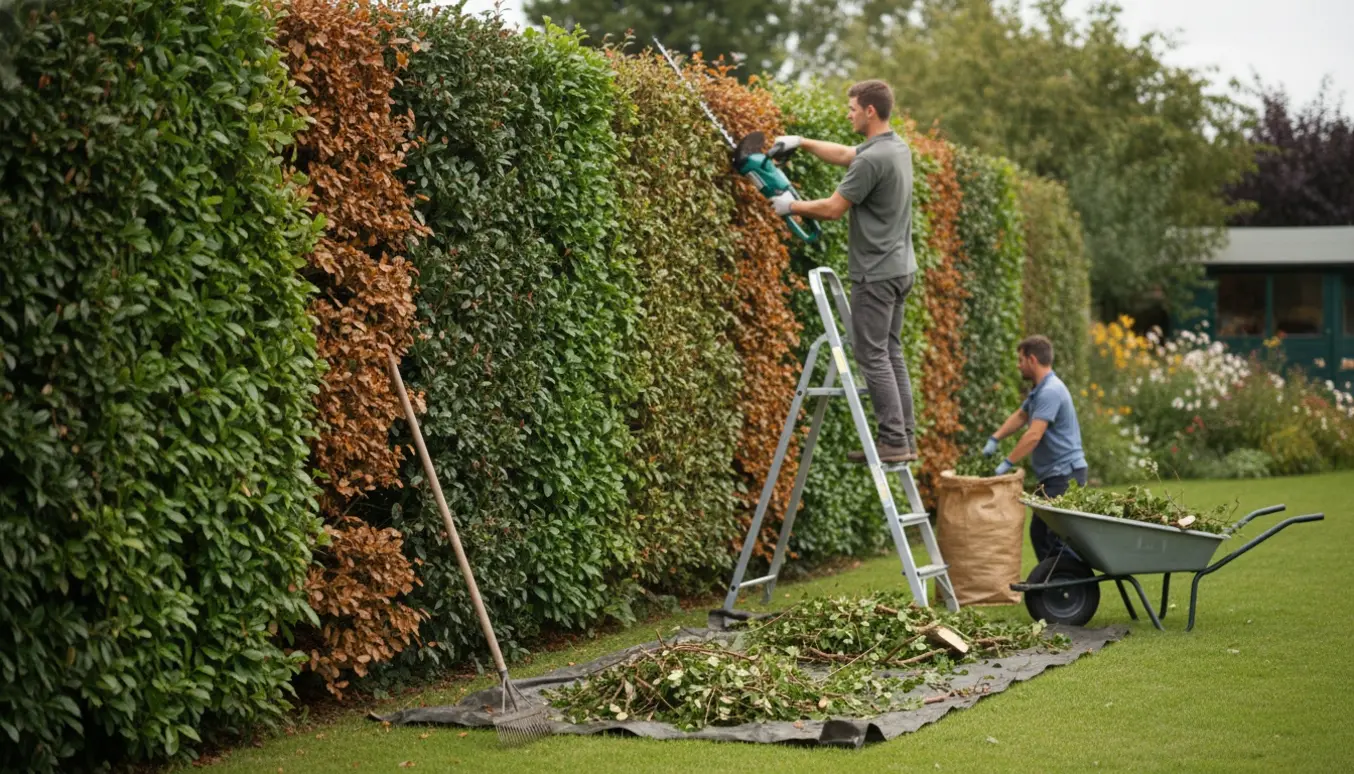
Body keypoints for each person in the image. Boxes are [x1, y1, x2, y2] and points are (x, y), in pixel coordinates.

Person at [769, 80, 918, 464]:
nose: (847, 113)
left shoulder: (872, 160)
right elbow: (846, 154)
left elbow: (835, 208)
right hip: (901, 267)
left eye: (852, 108)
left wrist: (792, 207)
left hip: (876, 272)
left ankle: (891, 440)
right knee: (892, 352)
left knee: (872, 355)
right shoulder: (894, 148)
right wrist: (800, 142)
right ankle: (905, 438)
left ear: (870, 111)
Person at [983, 335, 1089, 561]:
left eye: (1020, 360)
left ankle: (1072, 583)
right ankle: (1056, 585)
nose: (1018, 365)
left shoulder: (1050, 391)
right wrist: (995, 438)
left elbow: (1033, 435)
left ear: (1032, 359)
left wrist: (1007, 463)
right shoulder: (1039, 390)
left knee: (1053, 536)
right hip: (1056, 473)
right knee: (1042, 533)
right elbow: (1021, 416)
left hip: (1065, 474)